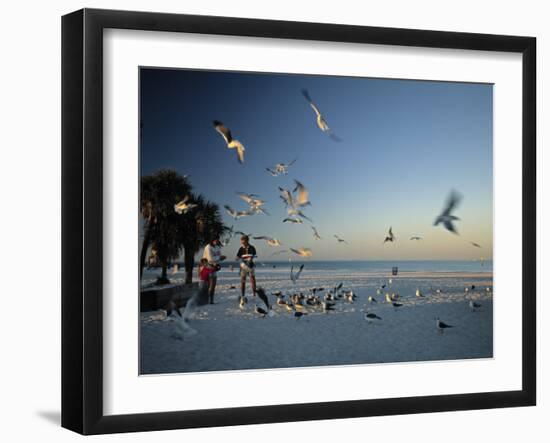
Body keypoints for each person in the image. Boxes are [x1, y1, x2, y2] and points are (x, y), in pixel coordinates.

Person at [202, 238, 225, 304]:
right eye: (215, 240)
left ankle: (211, 300)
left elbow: (218, 256)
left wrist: (221, 258)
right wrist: (219, 258)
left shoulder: (217, 247)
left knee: (213, 284)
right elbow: (210, 259)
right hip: (207, 266)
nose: (217, 241)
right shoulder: (208, 247)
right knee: (209, 284)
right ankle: (207, 300)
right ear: (212, 240)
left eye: (217, 240)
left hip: (214, 267)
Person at [236, 235, 257, 299]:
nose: (242, 243)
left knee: (252, 280)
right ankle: (243, 295)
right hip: (243, 266)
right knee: (243, 281)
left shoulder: (252, 247)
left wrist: (251, 259)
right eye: (241, 242)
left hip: (251, 266)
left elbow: (255, 256)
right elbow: (237, 257)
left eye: (243, 242)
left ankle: (254, 294)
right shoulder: (241, 248)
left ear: (247, 241)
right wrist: (237, 258)